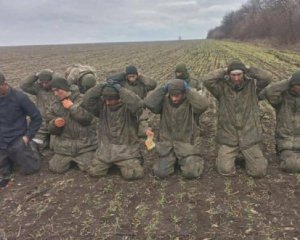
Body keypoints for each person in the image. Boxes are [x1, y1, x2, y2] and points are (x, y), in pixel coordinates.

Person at [203, 59, 271, 177]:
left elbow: (267, 77)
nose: (236, 78)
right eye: (233, 75)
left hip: (249, 137)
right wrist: (224, 70)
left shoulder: (253, 87)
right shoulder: (221, 88)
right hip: (229, 137)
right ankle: (230, 155)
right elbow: (207, 80)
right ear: (229, 75)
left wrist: (248, 69)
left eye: (239, 74)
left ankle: (250, 156)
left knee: (259, 172)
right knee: (225, 170)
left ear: (244, 73)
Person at [144, 79, 209, 178]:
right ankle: (174, 160)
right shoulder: (163, 103)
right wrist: (163, 89)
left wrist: (188, 90)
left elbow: (204, 105)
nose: (174, 98)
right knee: (160, 173)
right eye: (172, 95)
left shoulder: (191, 104)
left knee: (191, 173)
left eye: (177, 95)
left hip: (186, 146)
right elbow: (148, 103)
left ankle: (193, 159)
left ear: (183, 94)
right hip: (167, 147)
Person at [83, 79, 144, 180]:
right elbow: (86, 101)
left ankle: (131, 162)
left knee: (133, 174)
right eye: (105, 99)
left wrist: (121, 90)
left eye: (110, 99)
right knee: (94, 172)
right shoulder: (101, 108)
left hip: (126, 153)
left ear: (119, 98)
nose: (107, 102)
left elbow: (138, 104)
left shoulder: (129, 109)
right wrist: (101, 86)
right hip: (105, 152)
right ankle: (111, 164)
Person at [46, 76, 97, 173]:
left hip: (85, 146)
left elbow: (88, 119)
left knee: (91, 168)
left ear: (65, 88)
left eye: (58, 90)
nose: (55, 94)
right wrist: (55, 124)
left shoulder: (83, 99)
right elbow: (50, 129)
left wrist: (72, 107)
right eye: (53, 91)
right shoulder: (54, 106)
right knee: (55, 168)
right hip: (64, 147)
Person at [0, 72, 42, 187]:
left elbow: (36, 117)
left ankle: (33, 146)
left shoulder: (20, 97)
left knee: (30, 169)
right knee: (4, 172)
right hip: (1, 140)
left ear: (4, 84)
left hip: (18, 138)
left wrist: (28, 136)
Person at [264, 69, 300, 172]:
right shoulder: (282, 99)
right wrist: (288, 81)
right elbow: (270, 92)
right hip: (287, 144)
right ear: (293, 85)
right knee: (291, 165)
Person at [108, 65, 157, 137]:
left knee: (143, 128)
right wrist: (123, 74)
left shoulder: (142, 85)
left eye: (133, 76)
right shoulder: (123, 83)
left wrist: (140, 76)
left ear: (137, 75)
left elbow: (153, 84)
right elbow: (109, 79)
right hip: (126, 108)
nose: (131, 78)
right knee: (126, 130)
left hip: (139, 109)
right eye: (129, 76)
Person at [20, 69, 56, 153]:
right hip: (42, 124)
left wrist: (53, 73)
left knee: (55, 147)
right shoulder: (38, 89)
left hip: (55, 123)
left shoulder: (58, 89)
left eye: (46, 82)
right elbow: (24, 85)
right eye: (42, 82)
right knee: (36, 144)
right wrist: (36, 75)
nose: (44, 85)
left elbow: (66, 83)